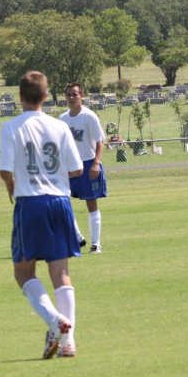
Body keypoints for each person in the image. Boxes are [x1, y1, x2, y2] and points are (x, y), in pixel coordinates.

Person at [0, 71, 84, 358]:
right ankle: (69, 341)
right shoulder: (59, 126)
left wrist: (11, 184)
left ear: (20, 96)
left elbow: (4, 168)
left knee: (23, 272)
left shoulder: (11, 126)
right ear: (47, 97)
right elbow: (76, 169)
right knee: (61, 273)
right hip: (60, 202)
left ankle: (54, 320)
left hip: (30, 203)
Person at [59, 83, 107, 253]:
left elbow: (99, 141)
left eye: (75, 95)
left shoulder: (89, 116)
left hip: (88, 163)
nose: (71, 98)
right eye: (69, 95)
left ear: (81, 96)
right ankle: (78, 239)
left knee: (91, 204)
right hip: (69, 166)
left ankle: (96, 244)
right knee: (62, 203)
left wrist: (96, 163)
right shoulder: (62, 119)